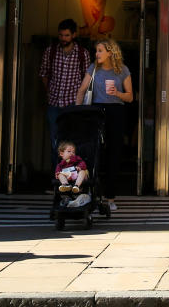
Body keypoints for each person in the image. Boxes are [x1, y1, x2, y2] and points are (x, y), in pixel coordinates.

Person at [76, 37, 132, 212]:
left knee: (113, 153)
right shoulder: (93, 69)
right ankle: (90, 193)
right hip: (96, 112)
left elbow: (130, 97)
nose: (96, 54)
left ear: (110, 52)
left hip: (116, 111)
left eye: (100, 50)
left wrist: (117, 93)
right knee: (93, 153)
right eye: (96, 50)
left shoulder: (122, 70)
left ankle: (110, 197)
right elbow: (81, 90)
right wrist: (78, 113)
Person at [39, 18, 92, 169]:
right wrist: (49, 91)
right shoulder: (51, 51)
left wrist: (80, 101)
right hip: (54, 103)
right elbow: (43, 73)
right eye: (61, 35)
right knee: (55, 142)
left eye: (67, 35)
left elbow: (86, 80)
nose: (63, 38)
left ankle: (72, 178)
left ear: (74, 35)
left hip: (72, 104)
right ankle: (57, 179)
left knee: (72, 143)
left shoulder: (83, 54)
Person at [54, 140, 90, 207]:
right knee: (59, 174)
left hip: (78, 176)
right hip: (68, 177)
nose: (72, 153)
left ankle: (76, 186)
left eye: (73, 152)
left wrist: (80, 167)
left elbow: (83, 164)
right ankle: (65, 184)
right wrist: (58, 174)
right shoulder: (60, 164)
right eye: (69, 151)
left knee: (83, 171)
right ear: (62, 154)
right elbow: (57, 171)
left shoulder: (77, 159)